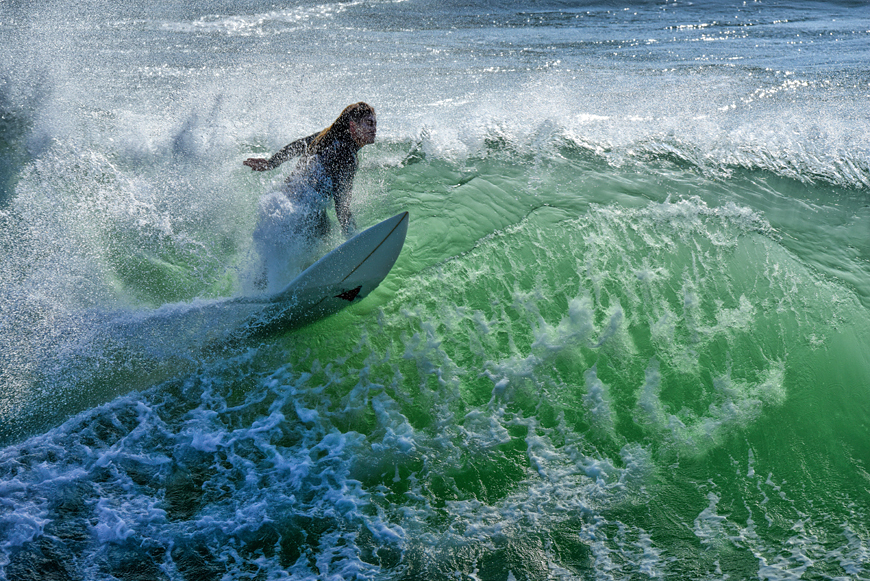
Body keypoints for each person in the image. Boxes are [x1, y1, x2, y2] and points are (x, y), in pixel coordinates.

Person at [243, 102, 377, 293]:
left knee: (320, 231)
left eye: (375, 124)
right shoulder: (345, 153)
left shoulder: (330, 136)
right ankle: (287, 287)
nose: (374, 129)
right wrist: (357, 243)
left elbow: (299, 145)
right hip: (303, 212)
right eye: (368, 124)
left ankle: (258, 292)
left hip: (286, 200)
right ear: (353, 126)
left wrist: (271, 163)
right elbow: (342, 206)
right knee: (321, 230)